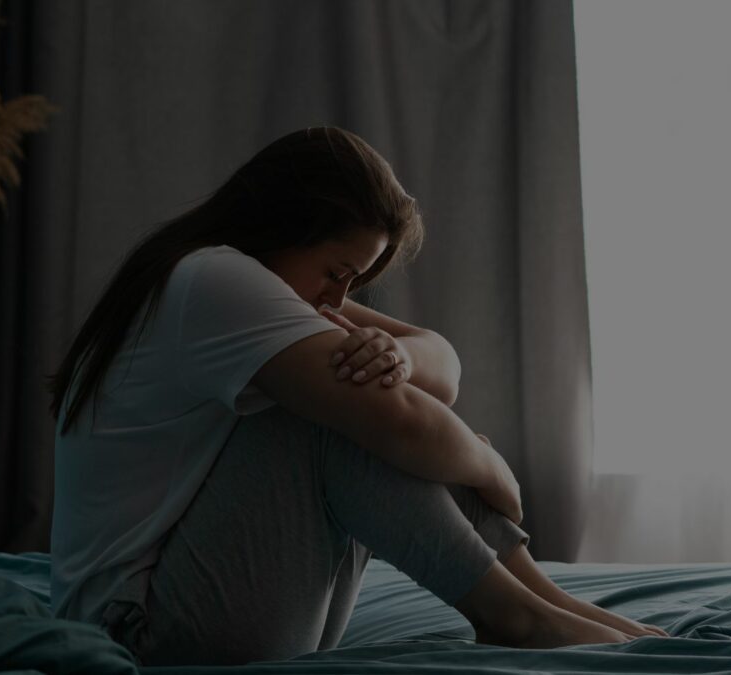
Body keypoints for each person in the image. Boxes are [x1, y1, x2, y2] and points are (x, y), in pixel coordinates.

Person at [45, 126, 667, 666]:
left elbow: (441, 364)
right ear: (284, 226)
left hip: (204, 607)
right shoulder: (215, 281)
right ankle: (515, 616)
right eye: (337, 272)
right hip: (138, 636)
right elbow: (403, 427)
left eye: (354, 281)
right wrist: (487, 461)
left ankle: (538, 600)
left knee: (369, 392)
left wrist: (401, 355)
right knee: (332, 415)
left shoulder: (250, 284)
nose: (337, 299)